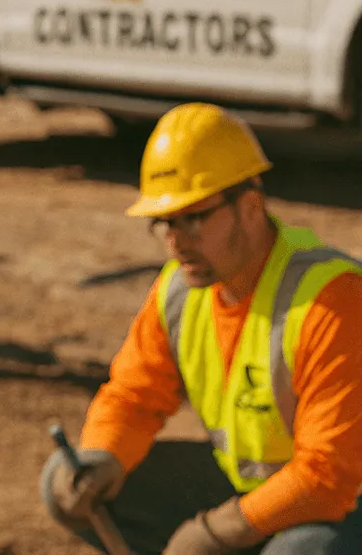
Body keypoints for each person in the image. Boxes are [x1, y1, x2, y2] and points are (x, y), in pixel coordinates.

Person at [42, 103, 362, 555]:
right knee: (70, 481)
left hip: (345, 504)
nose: (176, 240)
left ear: (250, 206)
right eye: (165, 222)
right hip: (257, 490)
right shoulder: (180, 290)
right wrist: (104, 456)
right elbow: (134, 395)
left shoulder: (331, 299)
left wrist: (215, 532)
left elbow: (329, 476)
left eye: (193, 218)